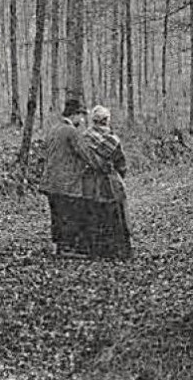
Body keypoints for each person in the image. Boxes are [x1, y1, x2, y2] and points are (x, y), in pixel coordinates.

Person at [39, 97, 92, 255]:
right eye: (80, 115)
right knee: (70, 213)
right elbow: (85, 154)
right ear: (74, 115)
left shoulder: (53, 129)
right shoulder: (71, 131)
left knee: (56, 214)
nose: (81, 120)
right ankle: (68, 247)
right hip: (66, 182)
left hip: (50, 181)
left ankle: (59, 246)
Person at [80, 105, 132, 260]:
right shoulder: (112, 140)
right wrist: (120, 175)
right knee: (115, 214)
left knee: (93, 214)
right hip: (109, 182)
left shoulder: (84, 138)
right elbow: (121, 163)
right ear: (106, 121)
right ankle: (117, 251)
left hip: (89, 183)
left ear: (93, 121)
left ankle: (95, 250)